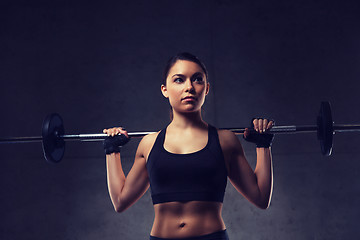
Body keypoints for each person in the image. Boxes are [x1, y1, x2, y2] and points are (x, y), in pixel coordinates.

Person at [103, 52, 274, 240]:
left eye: (197, 79)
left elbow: (261, 197)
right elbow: (120, 201)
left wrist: (262, 144)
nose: (189, 87)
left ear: (206, 88)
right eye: (179, 80)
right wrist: (112, 150)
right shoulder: (149, 144)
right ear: (164, 89)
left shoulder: (225, 141)